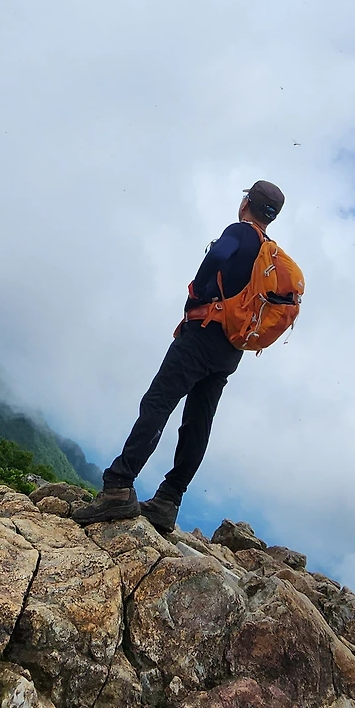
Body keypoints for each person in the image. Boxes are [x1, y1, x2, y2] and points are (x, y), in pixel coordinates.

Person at [74, 179, 287, 532]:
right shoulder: (268, 253)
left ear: (246, 203)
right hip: (231, 350)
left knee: (157, 403)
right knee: (198, 423)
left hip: (202, 335)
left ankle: (118, 487)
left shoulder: (240, 232)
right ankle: (168, 501)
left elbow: (218, 256)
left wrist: (198, 291)